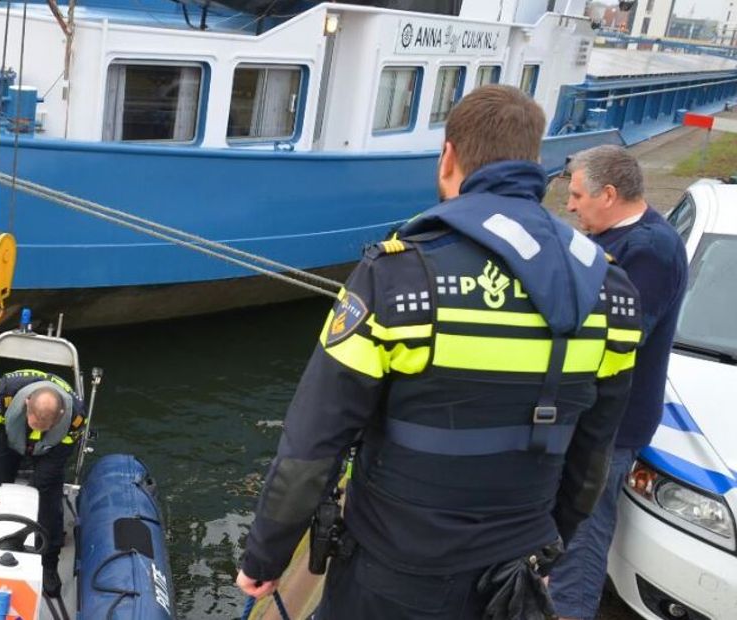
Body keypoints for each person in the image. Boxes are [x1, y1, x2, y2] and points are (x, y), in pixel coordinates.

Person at [236, 85, 643, 619]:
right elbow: (593, 451)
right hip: (514, 572)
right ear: (533, 161)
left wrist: (266, 553)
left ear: (449, 156)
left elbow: (316, 438)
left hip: (393, 573)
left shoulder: (399, 275)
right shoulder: (611, 292)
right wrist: (548, 540)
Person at [549, 145, 688, 620]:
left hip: (612, 424)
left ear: (607, 194)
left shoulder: (650, 250)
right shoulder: (619, 238)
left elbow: (619, 339)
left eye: (577, 195)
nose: (569, 206)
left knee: (583, 534)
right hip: (594, 415)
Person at [0, 368, 86, 597]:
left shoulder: (75, 417)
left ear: (61, 413)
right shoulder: (2, 396)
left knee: (48, 505)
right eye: (34, 422)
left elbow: (59, 456)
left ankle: (49, 564)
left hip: (50, 449)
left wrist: (33, 492)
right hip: (10, 438)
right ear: (26, 403)